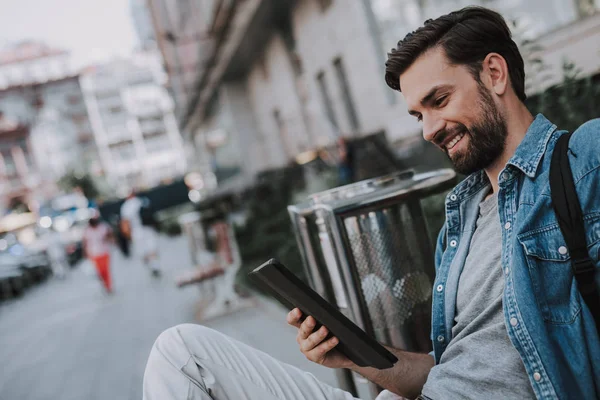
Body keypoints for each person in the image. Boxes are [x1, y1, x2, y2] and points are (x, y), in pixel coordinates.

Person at [142, 7, 599, 400]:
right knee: (183, 353)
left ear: (494, 74)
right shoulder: (461, 226)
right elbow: (442, 372)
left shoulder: (582, 161)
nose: (428, 129)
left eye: (439, 100)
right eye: (419, 114)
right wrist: (354, 356)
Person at [120, 191, 161, 277]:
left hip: (136, 232)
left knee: (143, 251)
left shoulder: (126, 207)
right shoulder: (142, 201)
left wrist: (128, 236)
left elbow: (125, 224)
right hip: (148, 229)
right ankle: (155, 265)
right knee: (152, 248)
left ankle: (151, 266)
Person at [83, 213, 113, 293]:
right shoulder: (87, 231)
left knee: (106, 271)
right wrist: (86, 253)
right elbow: (85, 242)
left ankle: (108, 286)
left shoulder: (103, 227)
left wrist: (106, 238)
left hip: (104, 252)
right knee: (100, 272)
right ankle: (104, 283)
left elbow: (110, 235)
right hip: (94, 254)